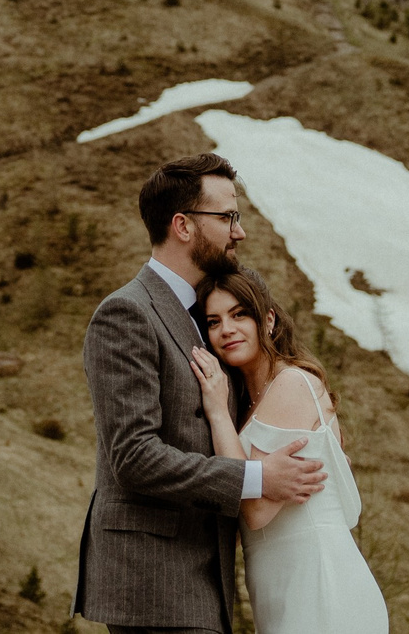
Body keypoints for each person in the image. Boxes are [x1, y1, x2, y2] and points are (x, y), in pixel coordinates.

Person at [76, 153, 329, 633]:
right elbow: (133, 456)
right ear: (183, 226)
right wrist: (258, 479)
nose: (240, 232)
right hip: (153, 579)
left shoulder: (208, 317)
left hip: (206, 578)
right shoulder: (126, 314)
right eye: (227, 217)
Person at [188, 265, 388, 634]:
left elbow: (256, 509)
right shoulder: (249, 402)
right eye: (213, 322)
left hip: (319, 580)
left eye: (239, 315)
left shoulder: (292, 383)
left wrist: (216, 411)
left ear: (268, 320)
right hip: (278, 583)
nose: (226, 329)